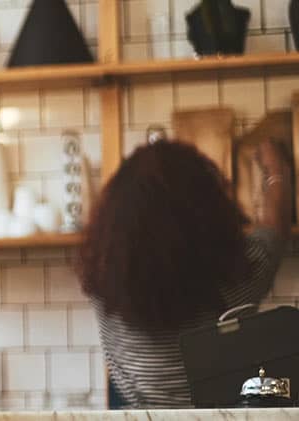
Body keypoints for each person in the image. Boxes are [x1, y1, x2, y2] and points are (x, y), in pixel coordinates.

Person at [77, 140, 292, 408]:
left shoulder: (105, 287)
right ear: (207, 213)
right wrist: (275, 165)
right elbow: (275, 226)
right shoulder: (238, 281)